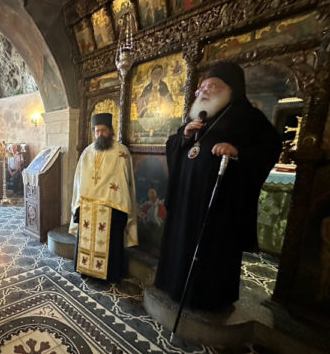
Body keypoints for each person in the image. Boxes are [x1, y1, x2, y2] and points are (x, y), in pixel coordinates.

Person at [154, 61, 282, 312]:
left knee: (211, 251)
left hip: (219, 204)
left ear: (231, 89)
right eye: (201, 87)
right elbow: (173, 145)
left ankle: (206, 300)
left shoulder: (249, 117)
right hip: (187, 198)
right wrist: (184, 136)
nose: (203, 91)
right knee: (181, 242)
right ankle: (174, 286)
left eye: (211, 86)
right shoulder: (202, 116)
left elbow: (270, 148)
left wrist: (237, 151)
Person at [69, 113, 139, 282]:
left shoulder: (121, 152)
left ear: (110, 131)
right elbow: (79, 179)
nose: (99, 134)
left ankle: (109, 275)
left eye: (103, 130)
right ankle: (86, 270)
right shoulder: (87, 152)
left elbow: (124, 181)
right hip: (88, 206)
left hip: (112, 206)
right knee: (86, 239)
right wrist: (79, 202)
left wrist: (111, 199)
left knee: (111, 241)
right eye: (96, 131)